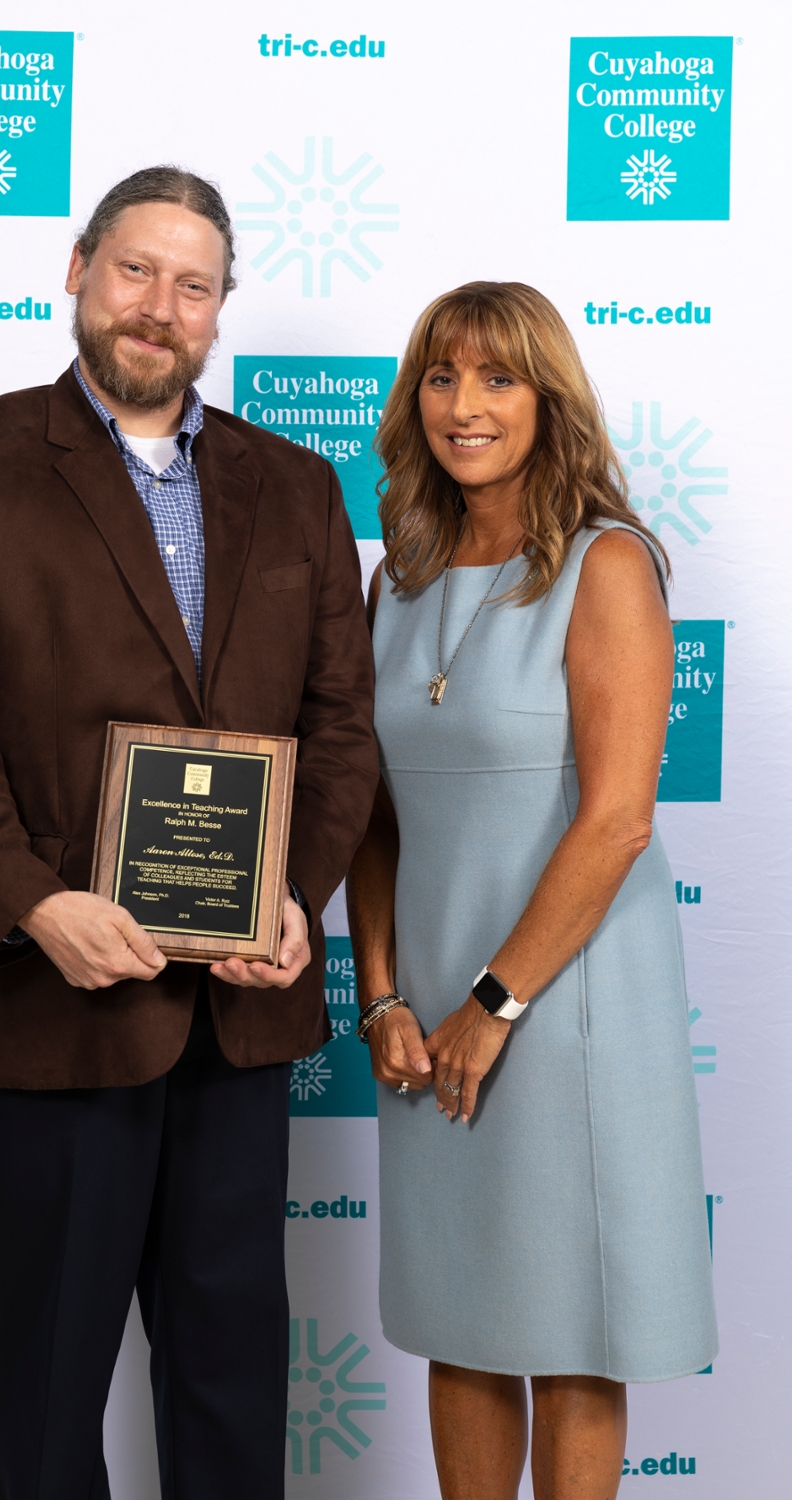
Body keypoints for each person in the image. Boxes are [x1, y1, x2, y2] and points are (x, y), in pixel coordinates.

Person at [0, 167, 378, 1500]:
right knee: (46, 1412)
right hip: (50, 1005)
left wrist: (292, 895)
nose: (160, 308)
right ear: (78, 268)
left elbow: (340, 730)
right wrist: (35, 903)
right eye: (136, 270)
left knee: (230, 1393)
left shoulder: (302, 487)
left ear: (220, 312)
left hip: (238, 1015)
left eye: (193, 285)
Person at [347, 282, 717, 1500]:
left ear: (547, 399)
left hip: (566, 995)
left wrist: (493, 1004)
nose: (464, 406)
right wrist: (388, 996)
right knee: (463, 1307)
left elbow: (615, 821)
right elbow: (375, 815)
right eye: (442, 378)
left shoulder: (607, 564)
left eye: (498, 379)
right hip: (434, 990)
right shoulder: (392, 576)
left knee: (565, 1322)